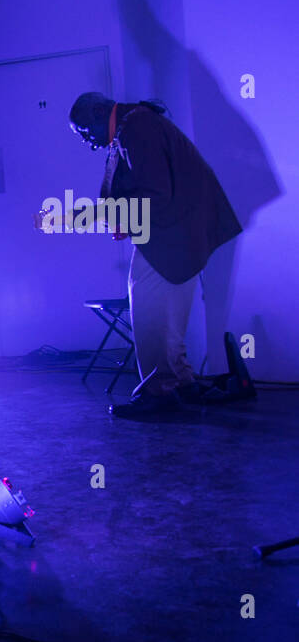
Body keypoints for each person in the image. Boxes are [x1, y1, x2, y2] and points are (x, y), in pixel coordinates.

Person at [66, 92, 243, 417]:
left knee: (149, 311)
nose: (89, 143)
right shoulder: (138, 123)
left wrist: (94, 215)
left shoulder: (135, 128)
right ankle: (182, 383)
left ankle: (159, 392)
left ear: (97, 111)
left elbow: (153, 194)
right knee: (169, 317)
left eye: (85, 132)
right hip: (183, 231)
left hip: (168, 233)